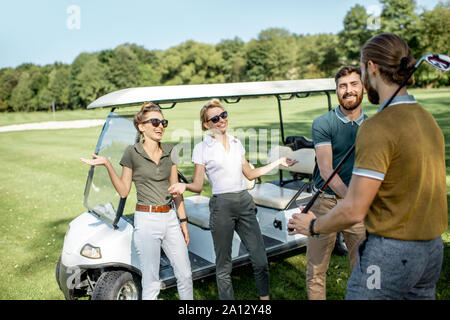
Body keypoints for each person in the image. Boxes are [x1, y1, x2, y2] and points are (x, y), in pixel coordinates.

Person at [288, 33, 447, 300]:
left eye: (360, 74)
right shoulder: (428, 120)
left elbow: (354, 209)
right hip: (430, 251)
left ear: (371, 68)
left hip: (390, 252)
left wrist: (313, 225)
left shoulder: (377, 126)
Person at [168, 98, 297, 300]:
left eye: (224, 115)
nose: (221, 120)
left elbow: (251, 174)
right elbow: (198, 186)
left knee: (260, 259)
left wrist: (279, 162)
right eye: (215, 118)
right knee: (224, 265)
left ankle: (265, 300)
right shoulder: (201, 148)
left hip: (245, 203)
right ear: (206, 124)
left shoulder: (237, 143)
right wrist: (184, 185)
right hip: (222, 208)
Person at [80, 102, 193, 300]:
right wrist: (107, 163)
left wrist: (182, 221)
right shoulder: (132, 153)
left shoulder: (170, 151)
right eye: (155, 122)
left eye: (163, 122)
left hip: (170, 219)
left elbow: (176, 191)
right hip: (147, 220)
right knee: (151, 281)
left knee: (185, 274)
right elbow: (124, 191)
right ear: (141, 127)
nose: (160, 127)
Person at [306, 66, 367, 300]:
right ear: (336, 90)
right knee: (316, 270)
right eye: (343, 86)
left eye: (354, 84)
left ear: (363, 87)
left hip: (358, 205)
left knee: (363, 267)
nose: (348, 90)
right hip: (325, 203)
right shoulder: (323, 122)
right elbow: (326, 169)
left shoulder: (373, 126)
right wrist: (353, 199)